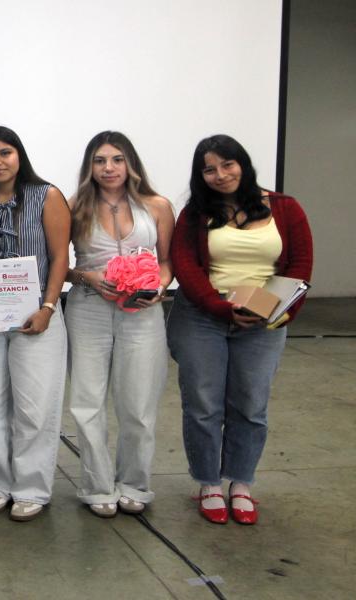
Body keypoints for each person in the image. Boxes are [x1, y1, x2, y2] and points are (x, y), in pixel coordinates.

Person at [168, 134, 313, 525]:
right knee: (202, 403)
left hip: (262, 319)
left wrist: (275, 310)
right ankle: (209, 483)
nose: (220, 175)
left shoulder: (285, 207)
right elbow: (185, 265)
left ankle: (240, 483)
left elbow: (300, 265)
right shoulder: (195, 212)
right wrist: (220, 307)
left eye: (227, 165)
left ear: (243, 164)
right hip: (202, 315)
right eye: (209, 169)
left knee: (250, 404)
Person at [0, 126, 71, 521]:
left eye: (5, 152)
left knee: (35, 406)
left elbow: (59, 258)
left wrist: (48, 307)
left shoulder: (47, 196)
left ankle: (32, 488)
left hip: (37, 315)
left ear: (19, 155)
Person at [64, 131, 174, 518]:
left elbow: (166, 260)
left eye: (116, 159)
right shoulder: (73, 205)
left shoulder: (157, 205)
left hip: (142, 311)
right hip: (89, 308)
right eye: (99, 160)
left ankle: (135, 482)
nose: (108, 168)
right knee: (87, 401)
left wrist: (158, 286)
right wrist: (89, 278)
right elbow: (60, 264)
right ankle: (96, 485)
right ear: (89, 166)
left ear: (130, 163)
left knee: (139, 403)